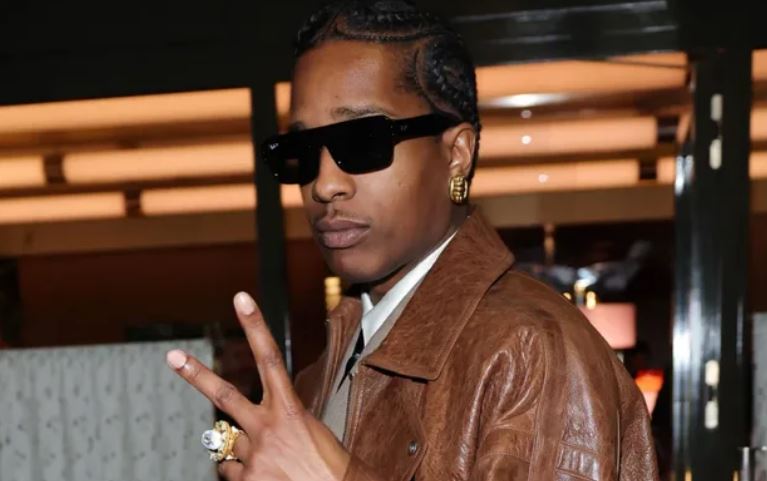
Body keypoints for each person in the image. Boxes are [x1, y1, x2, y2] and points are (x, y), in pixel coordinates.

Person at [165, 1, 660, 480]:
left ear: (457, 154)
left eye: (363, 142)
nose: (324, 184)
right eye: (302, 150)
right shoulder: (330, 366)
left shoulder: (531, 350)